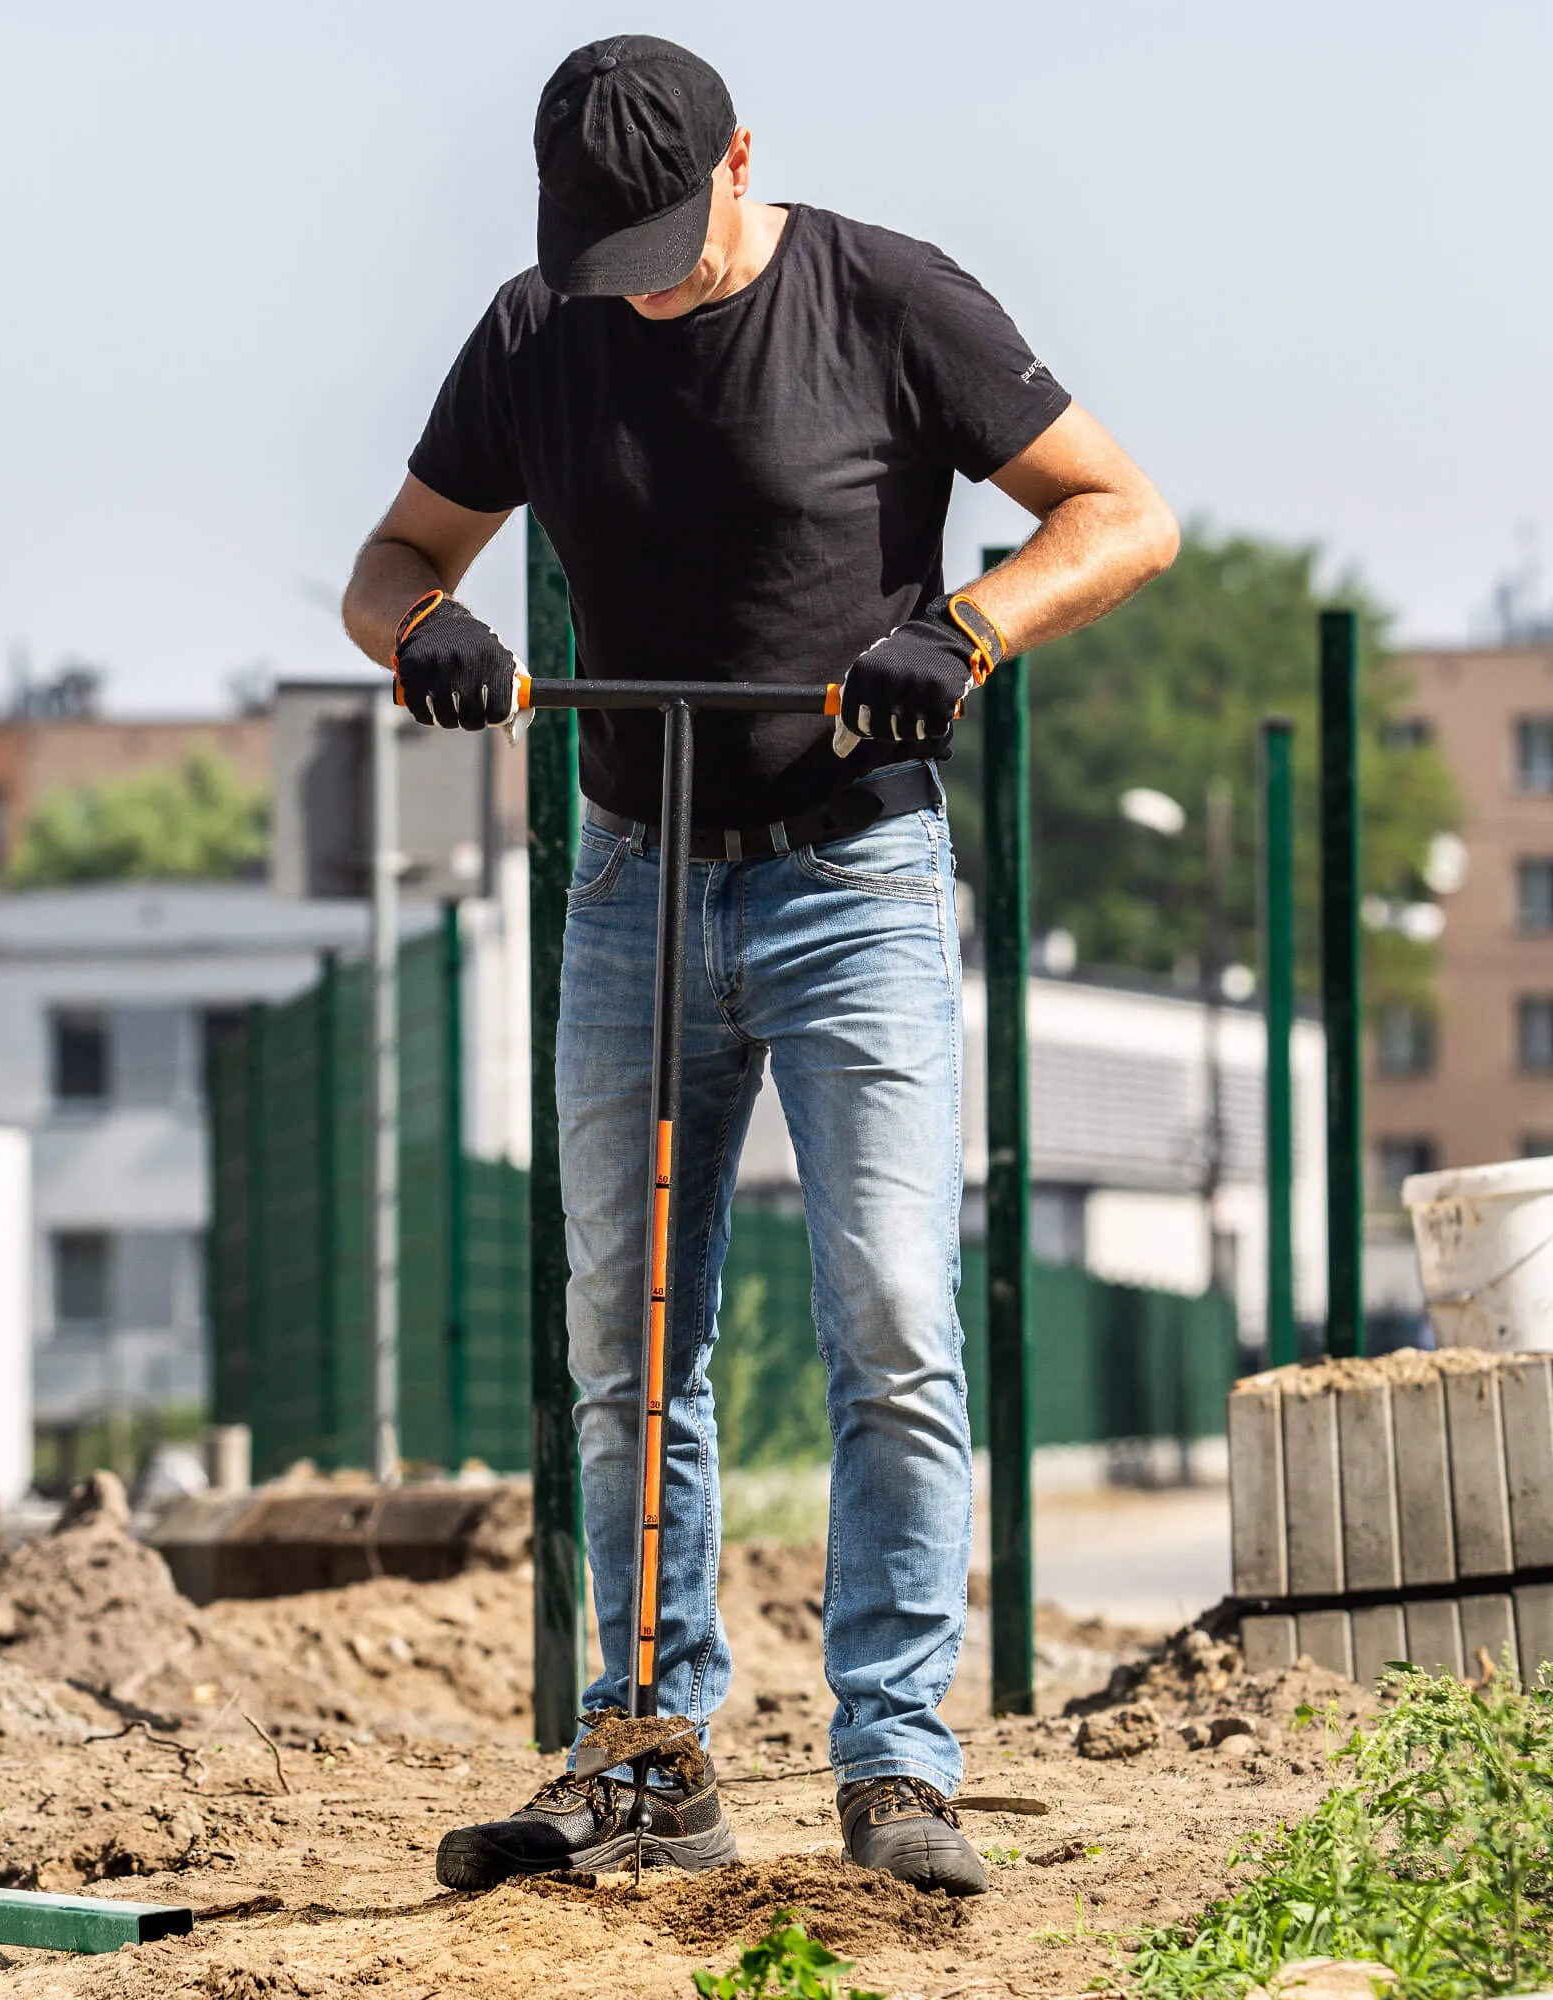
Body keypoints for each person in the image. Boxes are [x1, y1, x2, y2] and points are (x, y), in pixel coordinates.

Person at [342, 33, 1177, 1898]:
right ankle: (645, 1750)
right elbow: (392, 558)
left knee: (890, 1319)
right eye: (599, 252)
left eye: (662, 240)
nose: (635, 285)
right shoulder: (537, 332)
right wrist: (433, 628)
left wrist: (963, 630)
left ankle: (895, 1765)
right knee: (625, 1338)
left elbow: (1124, 516)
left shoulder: (889, 300)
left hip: (849, 881)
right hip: (635, 885)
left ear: (743, 166)